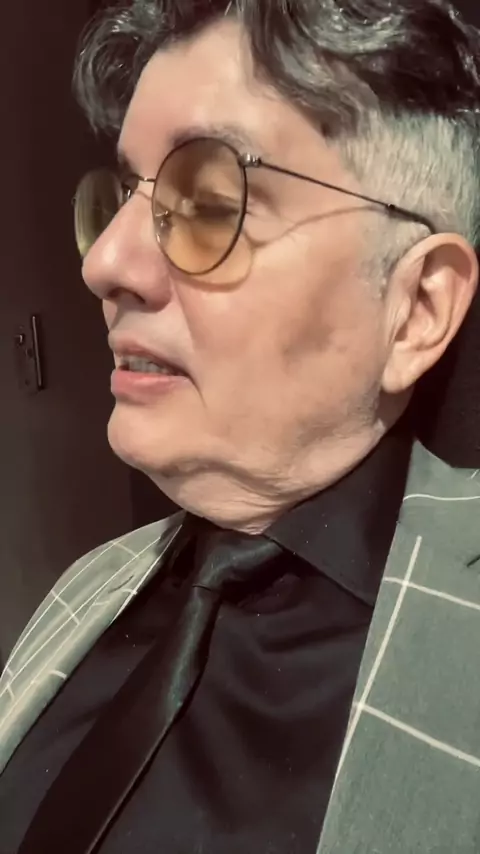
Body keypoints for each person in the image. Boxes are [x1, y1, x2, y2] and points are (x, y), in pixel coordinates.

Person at [1, 0, 480, 851]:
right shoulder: (85, 587)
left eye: (211, 203)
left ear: (415, 310)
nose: (105, 262)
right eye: (123, 196)